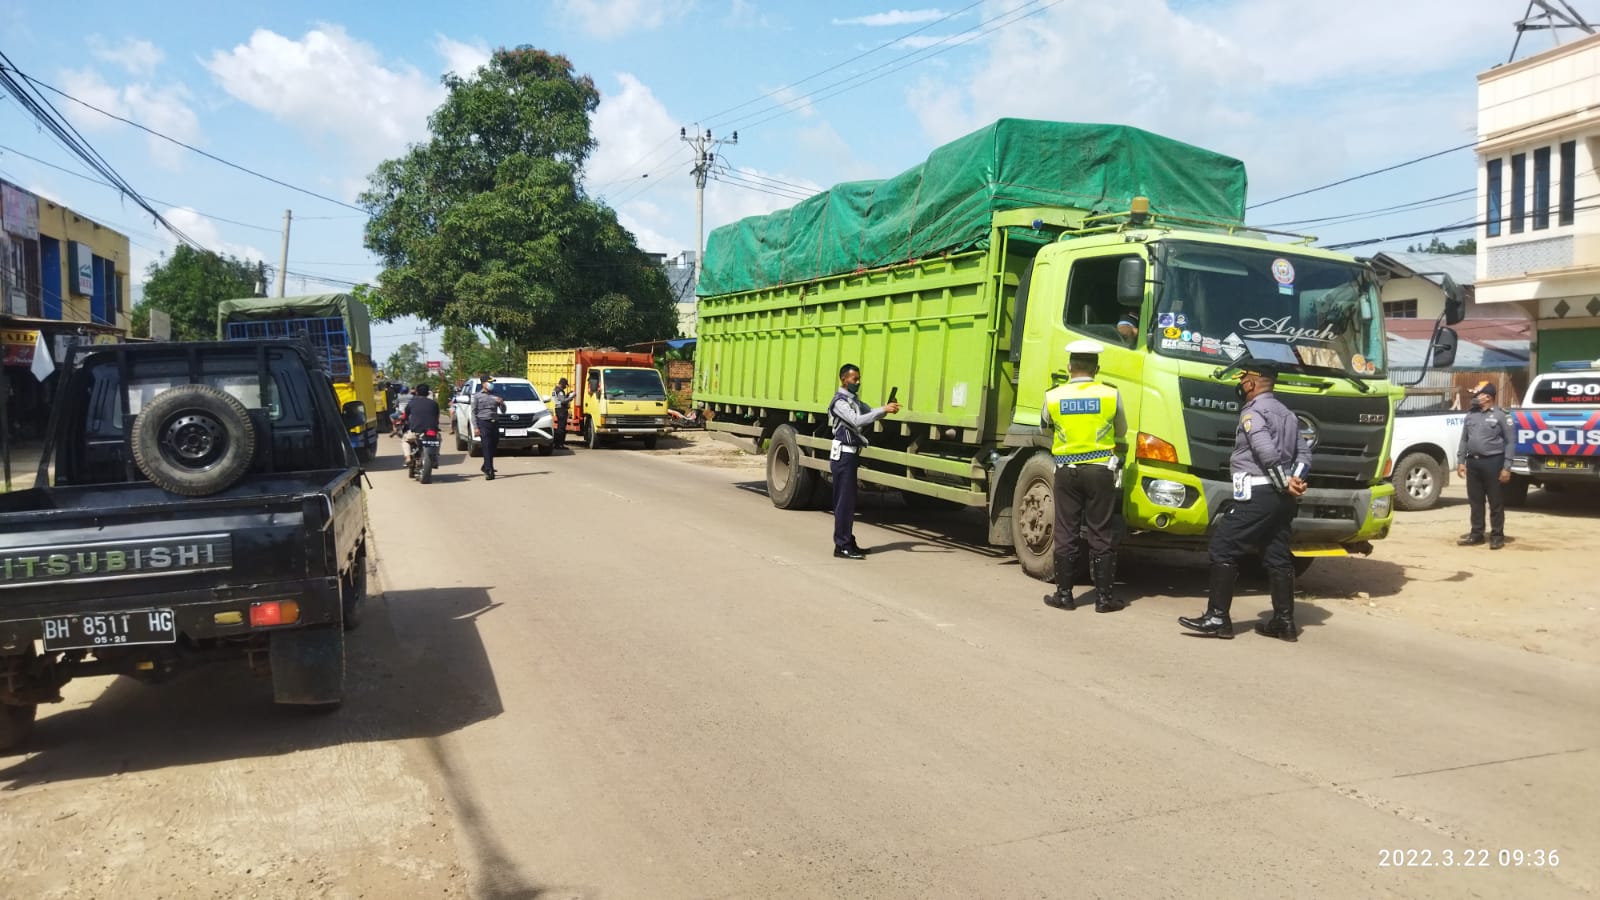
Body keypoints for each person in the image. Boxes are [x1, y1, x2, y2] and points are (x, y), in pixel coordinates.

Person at [1178, 360, 1311, 641]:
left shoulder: (1253, 412)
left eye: (1242, 380)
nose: (1239, 385)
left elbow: (1265, 451)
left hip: (1259, 492)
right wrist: (1294, 481)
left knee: (1223, 547)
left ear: (1250, 383)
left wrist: (1282, 481)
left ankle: (1218, 618)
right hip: (1282, 498)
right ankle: (1284, 622)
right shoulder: (1287, 413)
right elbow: (1304, 454)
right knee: (1276, 554)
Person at [1039, 340, 1128, 613]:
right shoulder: (1110, 395)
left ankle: (1064, 595)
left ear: (1069, 367)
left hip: (1066, 471)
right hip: (1101, 470)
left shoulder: (1054, 396)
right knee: (1101, 532)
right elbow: (1122, 430)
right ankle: (1103, 599)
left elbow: (1045, 426)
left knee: (1066, 531)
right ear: (1097, 368)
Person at [828, 363, 900, 559]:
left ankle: (847, 541)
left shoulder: (854, 401)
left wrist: (887, 409)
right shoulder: (839, 402)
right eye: (854, 379)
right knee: (844, 501)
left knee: (849, 500)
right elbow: (857, 421)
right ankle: (841, 545)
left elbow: (869, 414)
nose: (857, 383)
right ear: (844, 379)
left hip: (851, 455)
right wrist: (882, 410)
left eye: (859, 379)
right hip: (843, 455)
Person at [1457, 381, 1515, 550]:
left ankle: (1497, 535)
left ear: (1488, 397)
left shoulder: (1501, 415)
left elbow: (1511, 442)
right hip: (1473, 462)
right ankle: (1476, 534)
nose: (1475, 397)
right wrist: (1461, 461)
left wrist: (1507, 467)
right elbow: (1464, 439)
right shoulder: (1471, 415)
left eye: (1478, 395)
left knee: (1495, 501)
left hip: (1493, 462)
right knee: (1475, 501)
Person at [471, 378, 506, 479]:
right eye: (489, 382)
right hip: (483, 423)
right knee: (486, 446)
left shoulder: (496, 394)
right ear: (483, 384)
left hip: (494, 423)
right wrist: (475, 427)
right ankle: (489, 471)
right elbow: (473, 412)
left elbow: (503, 410)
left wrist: (501, 403)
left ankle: (485, 465)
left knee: (493, 446)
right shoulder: (477, 396)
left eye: (492, 383)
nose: (491, 384)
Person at [400, 384, 441, 466]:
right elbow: (437, 418)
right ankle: (435, 457)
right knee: (438, 439)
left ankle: (408, 458)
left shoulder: (412, 403)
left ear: (417, 392)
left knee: (405, 440)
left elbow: (404, 416)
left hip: (416, 431)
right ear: (428, 393)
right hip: (431, 431)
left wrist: (401, 421)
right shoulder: (434, 403)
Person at [550, 377, 576, 449]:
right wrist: (571, 397)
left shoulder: (556, 390)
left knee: (560, 427)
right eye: (565, 385)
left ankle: (557, 444)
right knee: (561, 428)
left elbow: (561, 399)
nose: (565, 386)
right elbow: (563, 401)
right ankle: (559, 444)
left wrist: (567, 394)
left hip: (558, 409)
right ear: (562, 383)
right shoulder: (560, 391)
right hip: (561, 410)